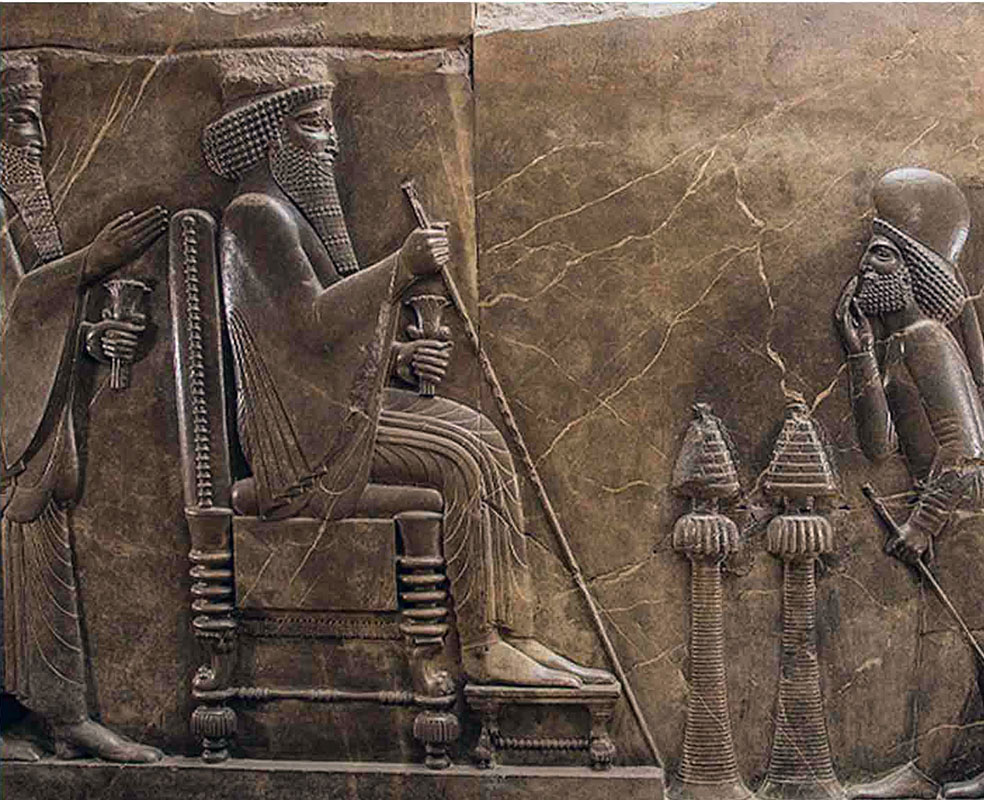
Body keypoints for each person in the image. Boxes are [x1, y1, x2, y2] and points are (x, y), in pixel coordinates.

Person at [201, 53, 613, 690]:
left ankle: (514, 629)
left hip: (329, 415)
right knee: (459, 456)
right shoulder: (256, 214)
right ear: (270, 134)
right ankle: (480, 646)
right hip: (302, 445)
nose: (332, 142)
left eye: (330, 124)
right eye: (314, 125)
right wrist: (401, 265)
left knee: (481, 437)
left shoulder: (282, 212)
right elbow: (312, 324)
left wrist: (396, 358)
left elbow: (308, 347)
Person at [835, 168, 984, 799]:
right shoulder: (897, 347)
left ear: (914, 271)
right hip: (956, 503)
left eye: (880, 257)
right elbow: (879, 445)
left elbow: (964, 450)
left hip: (972, 504)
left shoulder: (927, 340)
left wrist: (921, 525)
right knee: (980, 642)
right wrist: (860, 352)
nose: (863, 271)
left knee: (959, 640)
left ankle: (930, 773)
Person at [0, 54, 167, 762]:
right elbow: (19, 311)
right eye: (19, 120)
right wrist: (93, 263)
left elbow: (26, 326)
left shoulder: (18, 215)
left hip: (29, 430)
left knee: (41, 568)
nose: (34, 139)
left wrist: (94, 338)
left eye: (36, 121)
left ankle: (60, 717)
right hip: (11, 439)